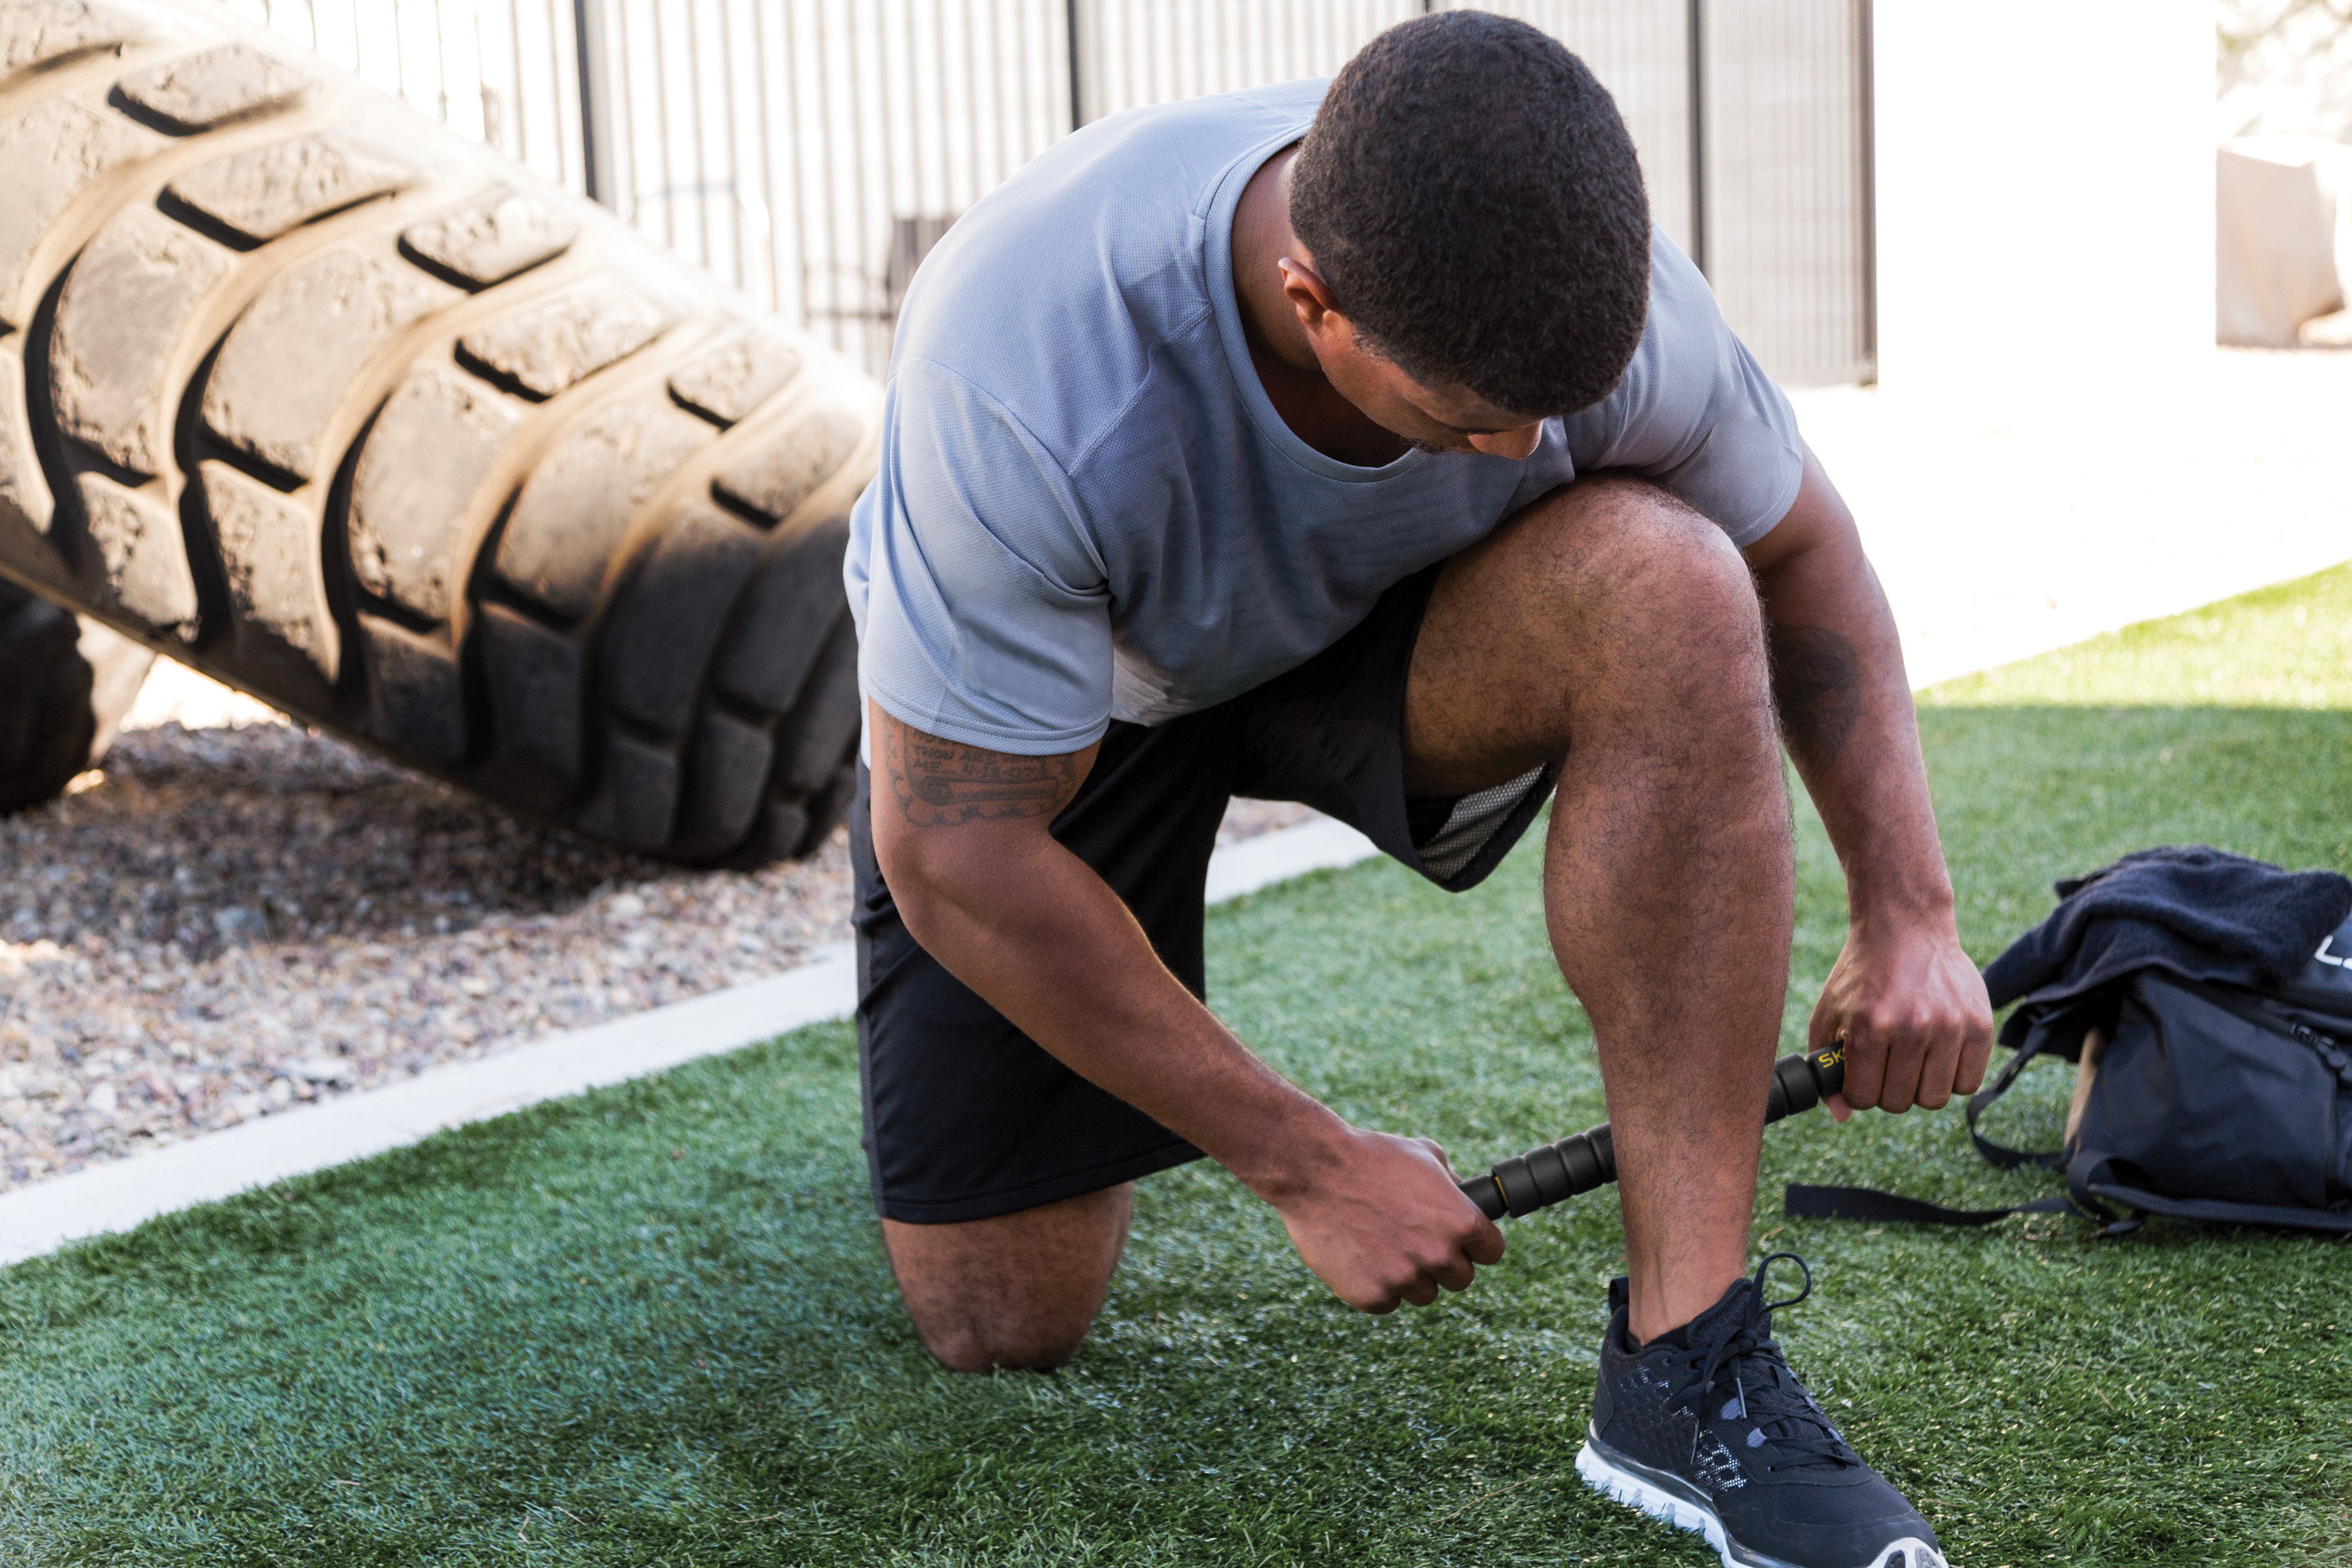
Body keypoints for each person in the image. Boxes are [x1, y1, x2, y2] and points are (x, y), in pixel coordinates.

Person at [843, 13, 1992, 1567]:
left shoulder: (1609, 307)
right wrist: (1308, 1163)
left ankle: (1686, 1355)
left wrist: (1908, 909)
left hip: (1384, 625)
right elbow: (958, 848)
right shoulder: (1025, 371)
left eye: (1547, 413)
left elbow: (1802, 551)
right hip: (1084, 701)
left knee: (1676, 582)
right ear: (1310, 304)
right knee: (1001, 1321)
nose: (1521, 452)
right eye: (1469, 421)